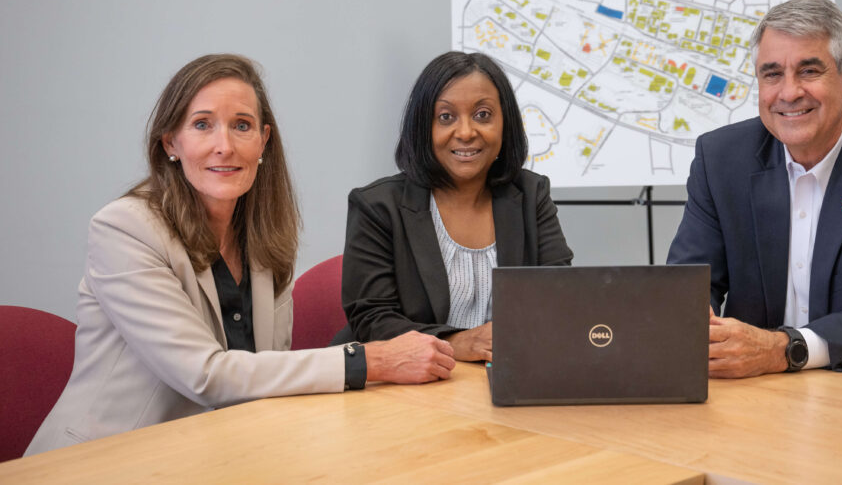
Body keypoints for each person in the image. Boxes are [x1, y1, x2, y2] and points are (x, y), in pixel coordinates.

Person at [27, 54, 454, 455]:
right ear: (170, 142)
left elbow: (269, 373)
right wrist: (368, 360)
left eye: (242, 125)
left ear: (264, 140)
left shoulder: (264, 234)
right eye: (202, 125)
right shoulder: (124, 229)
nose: (224, 146)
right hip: (107, 460)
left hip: (220, 453)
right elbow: (205, 374)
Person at [667, 0, 842, 378]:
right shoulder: (720, 160)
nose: (788, 93)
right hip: (760, 396)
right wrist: (690, 317)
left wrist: (783, 349)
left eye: (808, 71)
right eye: (771, 74)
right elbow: (689, 279)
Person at [341, 51, 573, 362]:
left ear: (506, 124)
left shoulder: (531, 195)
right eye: (446, 117)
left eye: (482, 115)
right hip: (408, 388)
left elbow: (560, 299)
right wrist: (456, 342)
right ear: (424, 127)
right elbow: (372, 320)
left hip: (508, 378)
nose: (465, 132)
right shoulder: (377, 206)